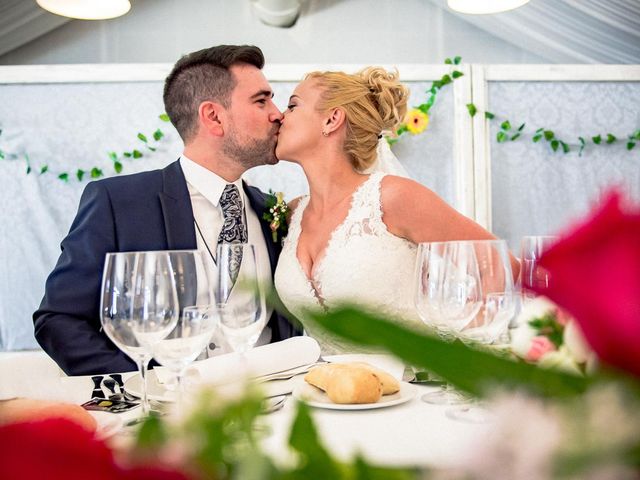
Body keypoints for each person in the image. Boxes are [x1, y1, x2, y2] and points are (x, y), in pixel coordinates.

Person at [34, 45, 299, 376]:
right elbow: (59, 320)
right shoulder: (118, 203)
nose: (278, 114)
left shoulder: (271, 210)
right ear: (213, 116)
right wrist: (149, 386)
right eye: (262, 101)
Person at [274, 67, 519, 354]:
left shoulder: (393, 198)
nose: (280, 116)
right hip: (325, 394)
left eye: (292, 105)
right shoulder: (292, 214)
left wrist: (458, 347)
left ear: (331, 119)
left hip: (410, 391)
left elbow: (503, 267)